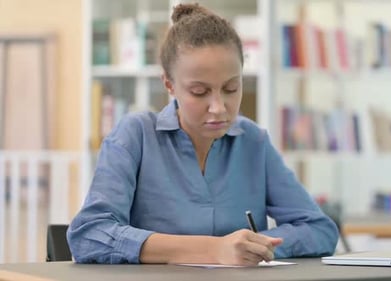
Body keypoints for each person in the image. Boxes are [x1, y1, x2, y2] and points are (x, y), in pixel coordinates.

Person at [67, 3, 339, 265]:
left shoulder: (254, 141)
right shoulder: (134, 136)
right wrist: (213, 250)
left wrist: (252, 246)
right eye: (200, 92)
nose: (219, 108)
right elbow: (89, 236)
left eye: (231, 88)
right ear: (169, 85)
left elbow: (319, 229)